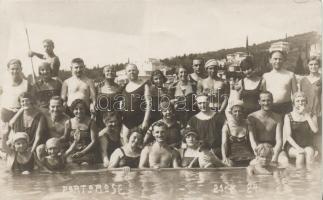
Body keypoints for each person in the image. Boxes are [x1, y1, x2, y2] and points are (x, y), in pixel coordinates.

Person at [248, 91, 288, 166]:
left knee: (284, 162)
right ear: (259, 102)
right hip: (259, 148)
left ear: (272, 101)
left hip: (274, 147)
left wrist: (275, 156)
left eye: (269, 100)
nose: (266, 103)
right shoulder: (252, 117)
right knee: (253, 164)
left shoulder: (278, 117)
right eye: (263, 100)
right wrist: (258, 154)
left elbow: (279, 141)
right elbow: (252, 140)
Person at [283, 92, 318, 169]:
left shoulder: (312, 115)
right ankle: (299, 177)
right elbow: (288, 136)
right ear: (293, 103)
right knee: (300, 154)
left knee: (309, 154)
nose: (300, 103)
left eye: (303, 101)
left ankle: (309, 178)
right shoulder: (288, 116)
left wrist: (306, 115)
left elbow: (315, 130)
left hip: (307, 145)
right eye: (298, 101)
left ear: (306, 102)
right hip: (292, 146)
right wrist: (298, 148)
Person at [121, 63, 151, 144]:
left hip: (140, 122)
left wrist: (146, 120)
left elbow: (149, 104)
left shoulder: (144, 85)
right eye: (129, 71)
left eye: (133, 70)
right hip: (126, 123)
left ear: (138, 72)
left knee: (140, 145)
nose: (132, 72)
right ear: (126, 73)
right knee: (127, 146)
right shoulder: (124, 87)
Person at [262, 50, 298, 115]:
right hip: (271, 108)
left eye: (280, 59)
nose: (277, 61)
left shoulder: (290, 74)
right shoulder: (265, 76)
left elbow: (296, 95)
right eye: (275, 59)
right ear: (270, 60)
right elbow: (263, 95)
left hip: (286, 108)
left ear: (284, 60)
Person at [63, 99, 97, 165]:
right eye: (76, 109)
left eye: (81, 109)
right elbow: (65, 138)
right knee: (69, 163)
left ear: (85, 110)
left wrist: (82, 153)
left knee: (85, 164)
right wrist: (56, 140)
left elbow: (94, 141)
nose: (79, 111)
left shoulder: (91, 122)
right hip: (72, 151)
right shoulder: (68, 122)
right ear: (72, 110)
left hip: (87, 152)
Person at [221, 100, 255, 167]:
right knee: (227, 164)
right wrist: (224, 157)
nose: (238, 113)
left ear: (243, 112)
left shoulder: (247, 125)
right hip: (233, 157)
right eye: (235, 111)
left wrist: (257, 155)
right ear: (231, 112)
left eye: (240, 111)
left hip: (248, 156)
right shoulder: (226, 127)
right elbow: (224, 144)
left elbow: (253, 142)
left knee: (255, 164)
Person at [0, 59, 33, 124]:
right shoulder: (4, 84)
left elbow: (31, 102)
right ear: (8, 70)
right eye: (12, 69)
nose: (15, 71)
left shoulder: (27, 85)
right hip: (5, 114)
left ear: (21, 69)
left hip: (21, 115)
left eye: (17, 69)